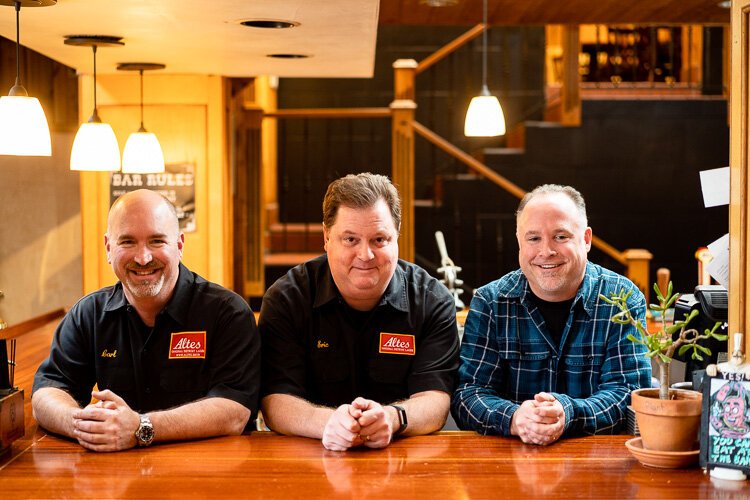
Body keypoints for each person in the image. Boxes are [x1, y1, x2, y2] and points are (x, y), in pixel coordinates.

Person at [32, 189, 260, 452]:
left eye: (157, 241)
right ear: (108, 248)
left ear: (179, 245)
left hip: (205, 478)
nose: (143, 258)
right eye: (127, 242)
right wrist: (85, 424)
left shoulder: (227, 313)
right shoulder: (89, 314)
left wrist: (140, 428)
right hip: (118, 479)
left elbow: (235, 411)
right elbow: (47, 392)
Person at [260, 173, 459, 451]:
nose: (365, 255)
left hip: (402, 457)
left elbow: (436, 402)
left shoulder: (431, 300)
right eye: (350, 239)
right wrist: (331, 424)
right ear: (327, 238)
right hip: (311, 454)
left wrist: (391, 418)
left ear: (397, 237)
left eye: (379, 240)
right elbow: (275, 401)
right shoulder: (287, 299)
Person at [451, 184, 651, 445]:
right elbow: (468, 394)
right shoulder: (490, 302)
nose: (546, 251)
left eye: (560, 236)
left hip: (598, 467)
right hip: (508, 468)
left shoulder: (621, 299)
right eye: (533, 238)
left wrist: (568, 414)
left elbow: (629, 395)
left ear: (586, 239)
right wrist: (515, 418)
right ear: (519, 242)